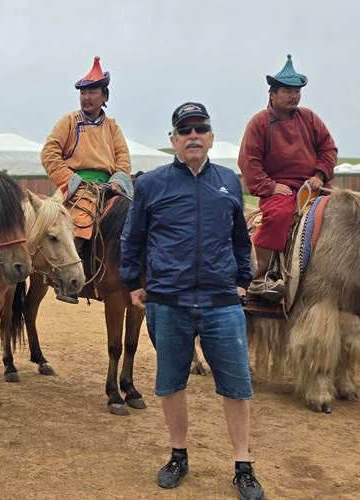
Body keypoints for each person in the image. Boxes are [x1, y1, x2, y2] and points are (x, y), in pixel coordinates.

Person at [121, 103, 265, 500]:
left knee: (237, 385)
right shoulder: (151, 185)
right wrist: (132, 281)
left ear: (212, 138)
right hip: (169, 301)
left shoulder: (228, 182)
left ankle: (243, 465)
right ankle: (178, 455)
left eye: (200, 128)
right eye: (184, 130)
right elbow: (133, 237)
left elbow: (240, 239)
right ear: (173, 141)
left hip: (222, 302)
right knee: (171, 383)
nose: (193, 136)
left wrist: (242, 280)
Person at [238, 54, 337, 301]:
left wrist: (319, 174)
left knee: (344, 210)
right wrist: (270, 186)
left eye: (297, 91)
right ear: (272, 94)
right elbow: (249, 161)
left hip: (314, 185)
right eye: (288, 91)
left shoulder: (309, 118)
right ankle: (261, 277)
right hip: (281, 189)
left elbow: (328, 149)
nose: (294, 96)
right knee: (279, 215)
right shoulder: (259, 123)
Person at [41, 56, 131, 245]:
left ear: (105, 96)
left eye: (92, 92)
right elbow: (49, 153)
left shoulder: (112, 127)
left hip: (110, 188)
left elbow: (123, 157)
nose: (86, 97)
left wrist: (116, 181)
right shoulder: (69, 121)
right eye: (83, 93)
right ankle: (72, 263)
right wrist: (72, 181)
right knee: (79, 227)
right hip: (78, 189)